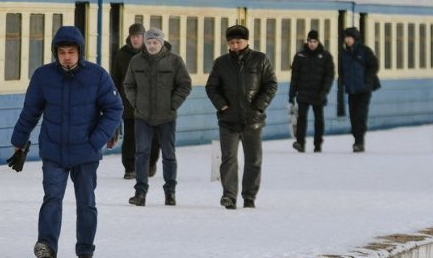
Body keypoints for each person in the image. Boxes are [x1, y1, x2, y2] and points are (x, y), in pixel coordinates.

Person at [10, 26, 123, 258]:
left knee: (86, 203)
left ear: (79, 52)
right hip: (54, 150)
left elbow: (114, 109)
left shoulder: (97, 76)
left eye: (71, 52)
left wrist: (96, 140)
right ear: (56, 53)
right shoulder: (43, 76)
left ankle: (85, 251)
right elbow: (30, 111)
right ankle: (47, 246)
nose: (67, 57)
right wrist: (18, 141)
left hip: (86, 152)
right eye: (62, 52)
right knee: (52, 198)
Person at [205, 24, 278, 210]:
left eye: (238, 42)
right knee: (228, 159)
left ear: (246, 41)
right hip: (228, 120)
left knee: (253, 160)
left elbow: (271, 84)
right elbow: (211, 87)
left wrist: (258, 107)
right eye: (231, 42)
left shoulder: (260, 60)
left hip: (253, 120)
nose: (235, 46)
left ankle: (249, 197)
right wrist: (222, 105)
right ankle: (229, 196)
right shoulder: (221, 63)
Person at [123, 28, 192, 207]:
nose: (152, 46)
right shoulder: (136, 61)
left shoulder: (174, 61)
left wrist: (173, 104)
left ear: (161, 43)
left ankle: (170, 192)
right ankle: (140, 193)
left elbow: (185, 85)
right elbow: (128, 84)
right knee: (141, 153)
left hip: (166, 116)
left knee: (168, 155)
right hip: (142, 116)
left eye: (155, 42)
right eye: (149, 42)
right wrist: (136, 103)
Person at [110, 22, 159, 180]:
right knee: (130, 137)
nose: (135, 39)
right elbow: (116, 78)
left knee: (153, 136)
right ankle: (130, 168)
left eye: (138, 36)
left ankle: (150, 164)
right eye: (133, 37)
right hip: (129, 103)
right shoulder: (122, 55)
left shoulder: (152, 52)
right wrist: (116, 98)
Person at [288, 29, 335, 153]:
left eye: (314, 41)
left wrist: (324, 91)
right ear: (307, 41)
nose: (312, 44)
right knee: (301, 119)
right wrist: (291, 94)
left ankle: (317, 144)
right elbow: (294, 77)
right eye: (310, 41)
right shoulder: (299, 56)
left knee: (319, 119)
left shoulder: (325, 56)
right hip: (303, 93)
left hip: (318, 94)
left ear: (318, 42)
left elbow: (329, 76)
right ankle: (300, 143)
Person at [339, 26, 380, 153]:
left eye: (350, 37)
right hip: (352, 89)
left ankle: (359, 142)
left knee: (360, 115)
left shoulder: (364, 51)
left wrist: (367, 80)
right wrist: (343, 81)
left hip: (364, 89)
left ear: (355, 38)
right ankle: (356, 138)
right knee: (353, 116)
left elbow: (374, 65)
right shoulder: (343, 53)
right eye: (346, 37)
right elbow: (341, 69)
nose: (347, 40)